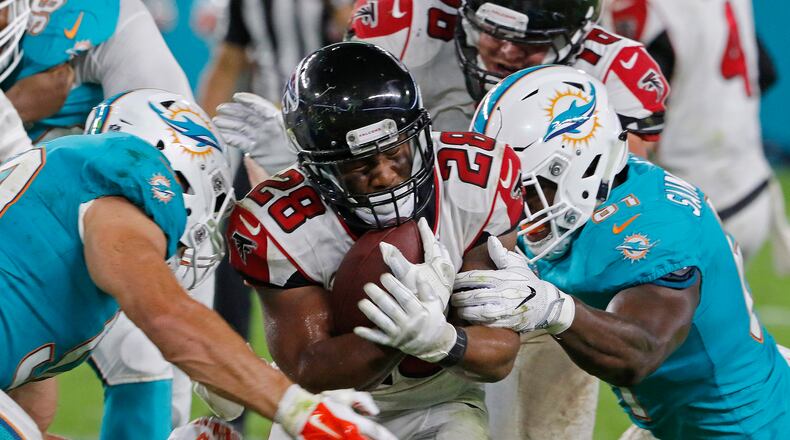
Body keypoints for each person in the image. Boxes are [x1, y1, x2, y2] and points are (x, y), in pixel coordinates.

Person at [0, 87, 394, 440]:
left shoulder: (41, 272)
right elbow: (171, 318)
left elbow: (29, 427)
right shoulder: (128, 179)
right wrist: (301, 411)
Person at [454, 64, 790, 439]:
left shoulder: (654, 231)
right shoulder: (598, 192)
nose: (513, 206)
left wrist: (553, 307)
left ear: (579, 166)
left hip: (744, 427)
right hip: (680, 419)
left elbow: (640, 352)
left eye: (525, 189)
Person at [225, 41, 525, 439]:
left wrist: (440, 338)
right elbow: (309, 369)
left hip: (440, 402)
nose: (384, 174)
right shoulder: (278, 224)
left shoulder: (474, 184)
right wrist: (396, 336)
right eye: (359, 163)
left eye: (396, 152)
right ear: (317, 170)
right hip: (331, 405)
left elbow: (499, 354)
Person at [0, 0, 227, 435]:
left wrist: (203, 347)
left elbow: (178, 173)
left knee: (142, 356)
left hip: (78, 215)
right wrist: (16, 109)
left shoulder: (107, 23)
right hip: (32, 222)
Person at [606, 0, 790, 265]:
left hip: (693, 205)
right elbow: (765, 72)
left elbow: (636, 118)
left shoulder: (650, 11)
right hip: (752, 189)